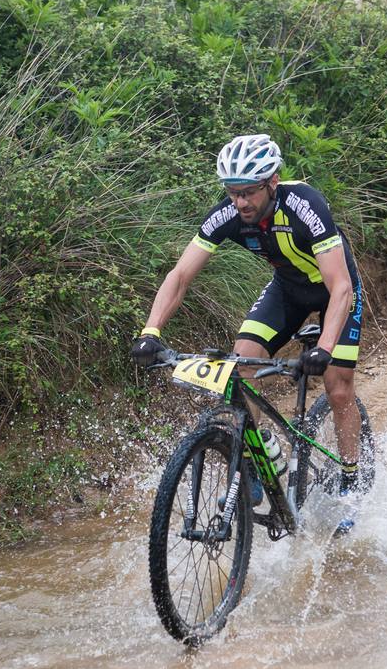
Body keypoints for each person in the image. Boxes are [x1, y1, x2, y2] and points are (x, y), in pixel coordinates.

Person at [130, 134, 366, 534]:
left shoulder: (304, 205)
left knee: (337, 387)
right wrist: (150, 331)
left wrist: (324, 348)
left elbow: (340, 287)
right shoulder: (227, 214)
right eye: (233, 193)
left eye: (248, 193)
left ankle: (350, 480)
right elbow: (181, 275)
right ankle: (256, 466)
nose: (240, 203)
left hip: (335, 291)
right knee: (239, 364)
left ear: (272, 182)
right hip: (288, 290)